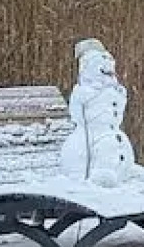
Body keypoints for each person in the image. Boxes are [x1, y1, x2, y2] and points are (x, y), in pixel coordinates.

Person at [59, 39, 137, 184]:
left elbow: (78, 114)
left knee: (109, 150)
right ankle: (101, 175)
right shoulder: (92, 92)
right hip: (97, 140)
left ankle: (115, 172)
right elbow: (79, 115)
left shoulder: (95, 89)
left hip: (107, 137)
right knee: (96, 152)